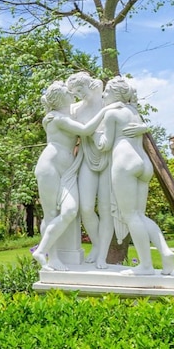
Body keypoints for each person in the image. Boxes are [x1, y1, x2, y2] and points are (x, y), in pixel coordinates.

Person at [32, 81, 120, 271]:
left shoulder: (65, 114)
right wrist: (107, 110)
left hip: (68, 171)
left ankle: (43, 250)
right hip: (50, 166)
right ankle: (50, 256)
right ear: (59, 97)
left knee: (71, 211)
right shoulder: (55, 117)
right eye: (67, 90)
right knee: (50, 214)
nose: (71, 92)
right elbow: (86, 130)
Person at [95, 77, 174, 275]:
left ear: (115, 94)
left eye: (106, 91)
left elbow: (105, 144)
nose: (103, 95)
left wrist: (95, 134)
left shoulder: (112, 113)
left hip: (125, 163)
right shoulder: (134, 112)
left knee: (130, 216)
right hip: (143, 164)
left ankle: (146, 266)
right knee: (139, 215)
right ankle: (165, 251)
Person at [67, 72, 114, 269]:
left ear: (89, 85)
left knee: (105, 209)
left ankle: (102, 253)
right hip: (87, 156)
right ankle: (96, 244)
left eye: (80, 89)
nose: (78, 95)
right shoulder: (76, 109)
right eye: (74, 92)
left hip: (109, 158)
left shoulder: (108, 104)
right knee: (85, 207)